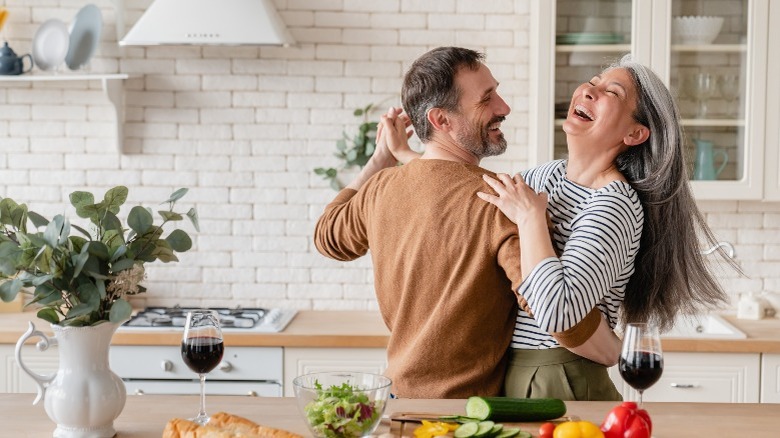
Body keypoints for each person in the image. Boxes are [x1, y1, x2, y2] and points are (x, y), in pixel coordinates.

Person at [382, 54, 733, 400]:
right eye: (593, 82)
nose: (588, 91)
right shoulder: (545, 176)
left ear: (635, 133)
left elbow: (559, 313)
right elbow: (471, 191)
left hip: (562, 377)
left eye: (611, 93)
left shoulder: (614, 204)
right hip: (512, 373)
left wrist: (532, 219)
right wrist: (406, 155)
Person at [313, 47, 604, 399]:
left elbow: (327, 237)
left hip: (396, 402)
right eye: (486, 99)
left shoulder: (380, 189)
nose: (504, 107)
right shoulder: (498, 201)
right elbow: (558, 314)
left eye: (496, 91)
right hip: (464, 416)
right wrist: (620, 351)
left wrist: (380, 159)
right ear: (441, 120)